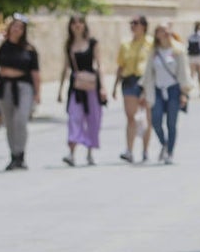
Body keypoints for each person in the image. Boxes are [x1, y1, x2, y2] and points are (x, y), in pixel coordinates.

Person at [0, 14, 41, 171]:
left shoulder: (29, 49)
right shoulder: (2, 45)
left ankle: (20, 153)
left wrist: (37, 93)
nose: (17, 30)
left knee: (20, 121)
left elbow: (35, 73)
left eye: (20, 27)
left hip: (24, 87)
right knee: (9, 123)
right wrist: (0, 38)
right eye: (14, 26)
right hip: (5, 87)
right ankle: (14, 155)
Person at [141, 23, 192, 165]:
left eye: (165, 31)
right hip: (157, 89)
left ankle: (170, 152)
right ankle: (163, 143)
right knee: (156, 121)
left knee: (171, 123)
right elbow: (148, 73)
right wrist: (145, 91)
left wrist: (184, 93)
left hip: (173, 90)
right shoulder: (154, 52)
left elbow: (183, 73)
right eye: (160, 31)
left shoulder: (177, 50)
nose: (163, 34)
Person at [57, 15, 105, 166]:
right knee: (74, 118)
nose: (77, 26)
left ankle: (90, 152)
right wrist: (60, 89)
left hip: (91, 85)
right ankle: (71, 153)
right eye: (74, 23)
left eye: (80, 23)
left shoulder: (92, 43)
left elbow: (99, 64)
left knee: (93, 118)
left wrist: (103, 86)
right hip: (76, 87)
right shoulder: (69, 45)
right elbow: (65, 68)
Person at [112, 15, 153, 163]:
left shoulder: (151, 43)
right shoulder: (125, 44)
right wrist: (114, 86)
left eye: (136, 23)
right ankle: (129, 150)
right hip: (129, 81)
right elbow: (120, 65)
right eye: (131, 23)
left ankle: (145, 150)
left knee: (147, 117)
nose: (133, 26)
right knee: (131, 117)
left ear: (144, 26)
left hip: (145, 82)